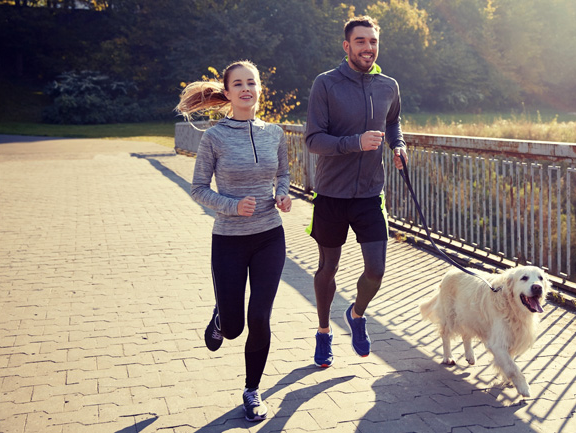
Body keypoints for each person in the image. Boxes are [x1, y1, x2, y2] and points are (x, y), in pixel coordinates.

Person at [175, 60, 291, 422]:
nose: (245, 89)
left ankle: (252, 390)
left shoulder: (275, 133)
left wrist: (284, 195)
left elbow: (284, 174)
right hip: (229, 240)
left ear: (259, 89)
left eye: (251, 83)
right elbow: (197, 189)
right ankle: (221, 319)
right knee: (235, 327)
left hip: (270, 237)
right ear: (226, 93)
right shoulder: (214, 137)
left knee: (259, 318)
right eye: (237, 84)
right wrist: (231, 206)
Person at [304, 16, 408, 368]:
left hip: (369, 195)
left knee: (376, 271)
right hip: (331, 195)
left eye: (373, 42)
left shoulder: (388, 85)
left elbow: (392, 121)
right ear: (346, 46)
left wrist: (398, 145)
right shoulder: (326, 85)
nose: (368, 48)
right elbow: (314, 140)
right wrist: (356, 143)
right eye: (360, 41)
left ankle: (356, 314)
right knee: (327, 269)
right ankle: (322, 331)